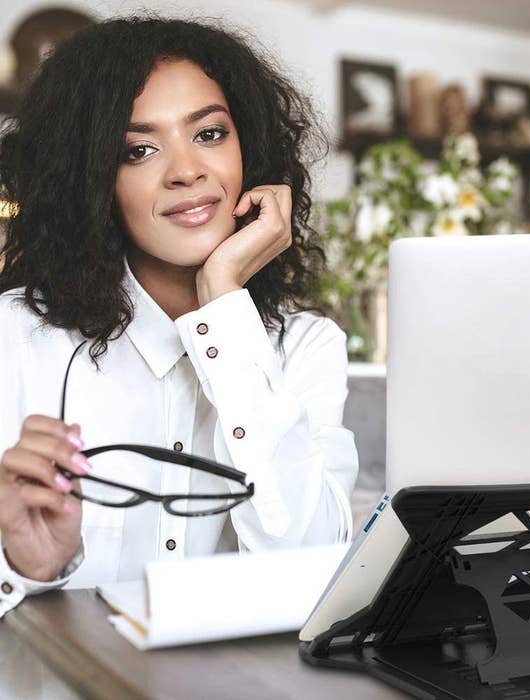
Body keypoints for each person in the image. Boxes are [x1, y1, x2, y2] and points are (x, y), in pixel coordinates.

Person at [0, 14, 358, 698]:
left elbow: (318, 575)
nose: (187, 171)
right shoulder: (12, 340)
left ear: (247, 152)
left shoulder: (307, 348)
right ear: (92, 179)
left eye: (209, 133)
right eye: (138, 151)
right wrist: (24, 566)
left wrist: (222, 301)